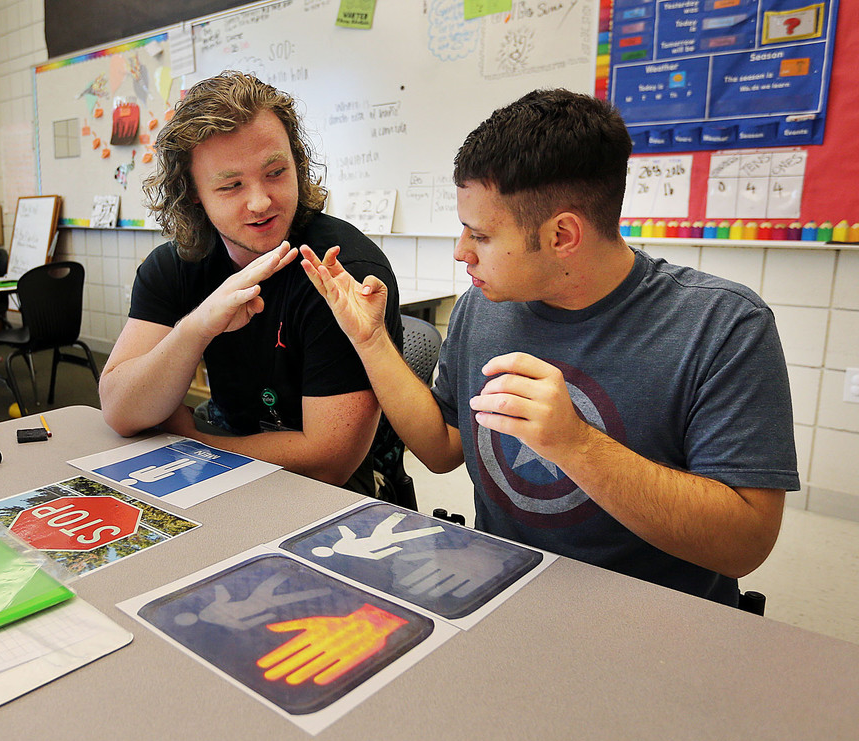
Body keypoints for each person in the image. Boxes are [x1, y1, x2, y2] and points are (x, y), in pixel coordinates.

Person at [301, 88, 798, 605]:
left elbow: (745, 544)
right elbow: (442, 448)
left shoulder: (723, 325)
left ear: (562, 234)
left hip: (655, 618)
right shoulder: (485, 305)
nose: (460, 252)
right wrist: (372, 340)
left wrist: (576, 444)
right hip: (506, 593)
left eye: (482, 236)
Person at [99, 71, 402, 496]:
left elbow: (329, 462)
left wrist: (197, 441)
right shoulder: (173, 266)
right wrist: (197, 327)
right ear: (193, 195)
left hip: (336, 494)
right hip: (230, 459)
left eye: (276, 172)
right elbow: (118, 408)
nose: (260, 202)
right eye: (231, 185)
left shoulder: (342, 269)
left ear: (297, 164)